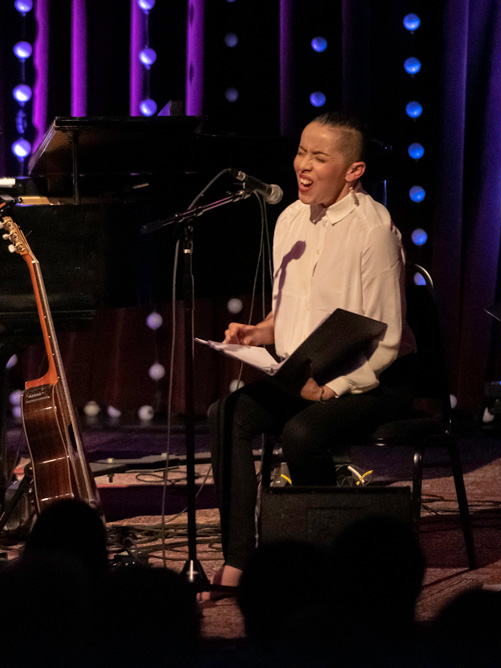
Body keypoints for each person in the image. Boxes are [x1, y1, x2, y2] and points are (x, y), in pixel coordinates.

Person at [206, 112, 416, 595]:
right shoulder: (290, 219)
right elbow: (290, 316)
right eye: (301, 152)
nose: (303, 165)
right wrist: (255, 333)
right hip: (305, 371)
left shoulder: (373, 230)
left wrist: (331, 390)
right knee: (227, 414)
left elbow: (385, 339)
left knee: (302, 432)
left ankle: (325, 555)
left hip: (373, 379)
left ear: (353, 171)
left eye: (319, 158)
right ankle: (240, 557)